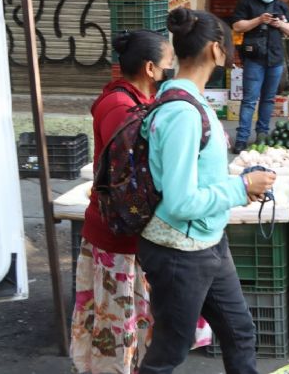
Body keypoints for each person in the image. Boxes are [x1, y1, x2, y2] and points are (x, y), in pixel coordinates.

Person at [137, 8, 276, 374]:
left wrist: (237, 181)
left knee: (239, 331)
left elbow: (196, 174)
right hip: (180, 250)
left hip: (208, 240)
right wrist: (241, 187)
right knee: (170, 350)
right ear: (217, 50)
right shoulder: (182, 112)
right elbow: (182, 201)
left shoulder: (191, 102)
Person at [70, 30, 179, 374]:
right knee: (116, 328)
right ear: (150, 68)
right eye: (168, 63)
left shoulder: (135, 101)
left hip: (128, 234)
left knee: (127, 322)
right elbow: (131, 177)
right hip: (116, 237)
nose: (171, 68)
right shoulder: (120, 106)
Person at [231, 0, 289, 154]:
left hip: (275, 59)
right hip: (254, 59)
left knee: (268, 99)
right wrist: (259, 20)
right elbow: (237, 26)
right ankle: (242, 138)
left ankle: (262, 134)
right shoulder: (247, 2)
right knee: (249, 100)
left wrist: (280, 25)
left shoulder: (281, 6)